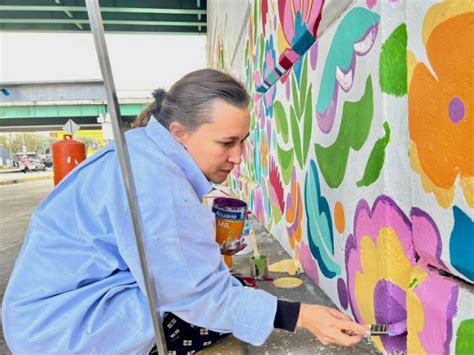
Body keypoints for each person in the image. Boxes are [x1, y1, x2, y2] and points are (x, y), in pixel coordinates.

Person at [2, 69, 367, 354]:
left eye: (243, 141)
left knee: (236, 297)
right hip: (70, 334)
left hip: (45, 319)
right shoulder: (154, 180)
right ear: (179, 132)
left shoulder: (144, 152)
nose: (238, 157)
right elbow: (198, 294)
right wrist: (302, 315)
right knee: (219, 314)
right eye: (226, 143)